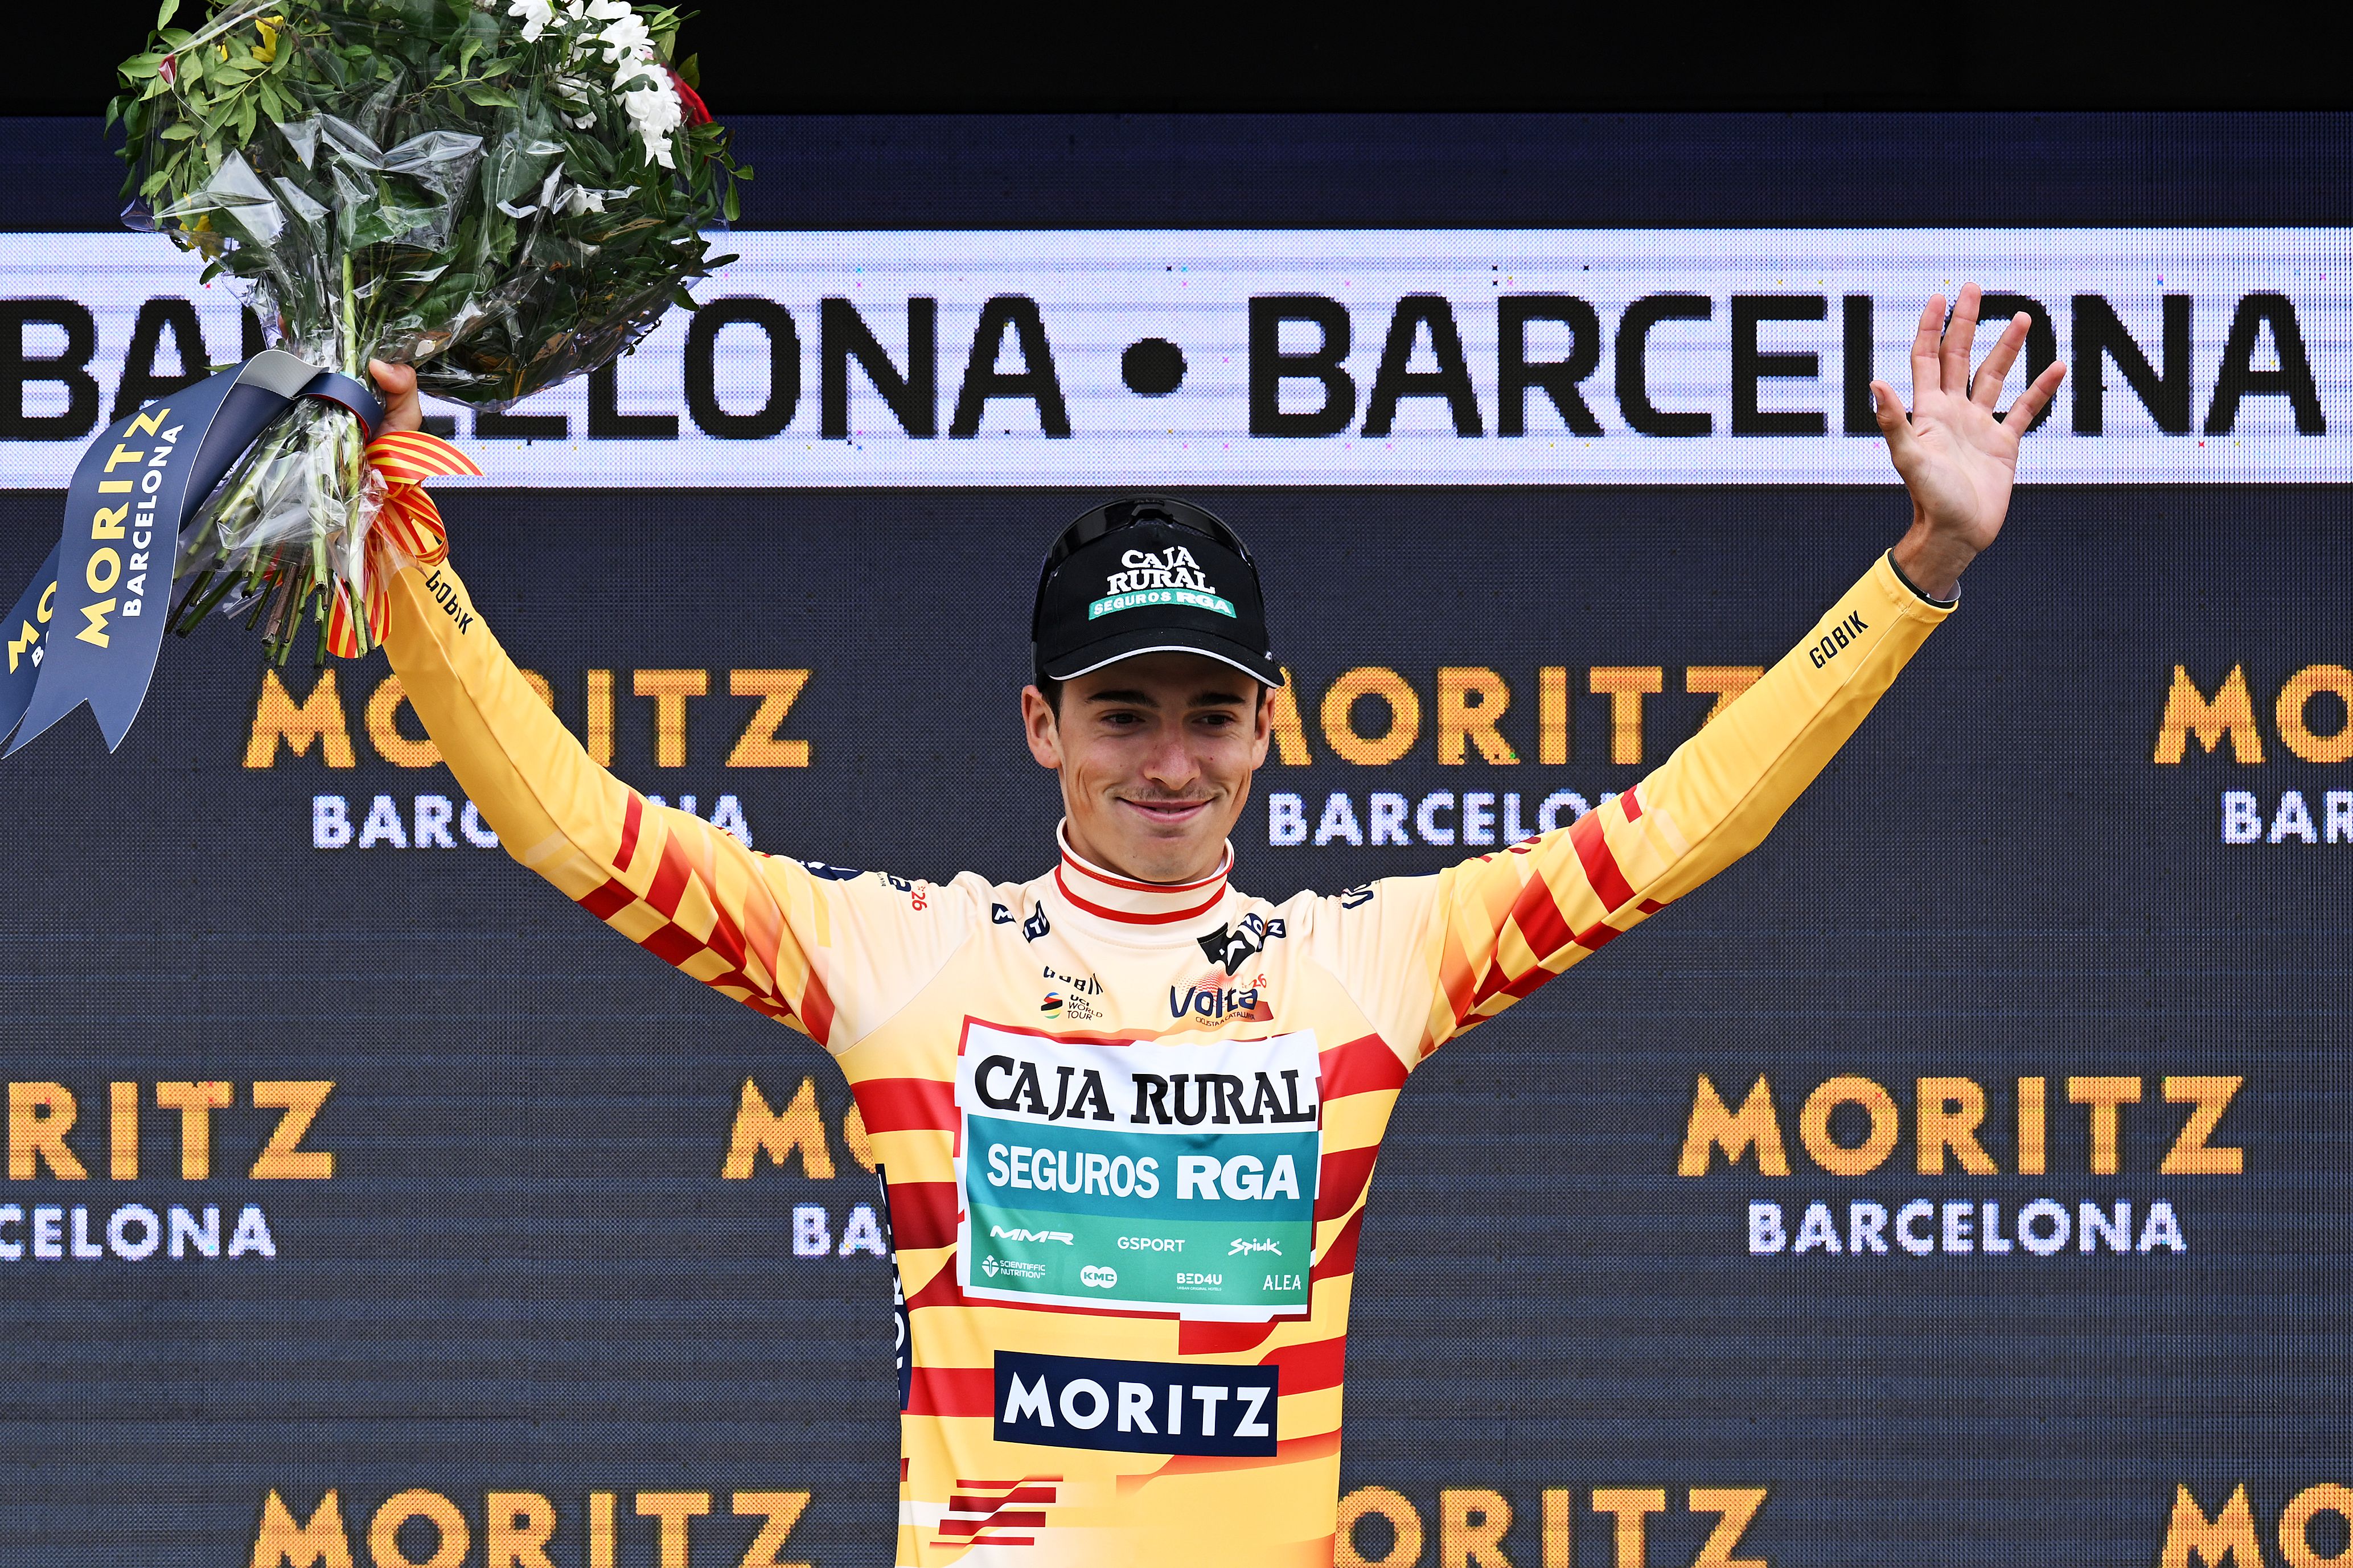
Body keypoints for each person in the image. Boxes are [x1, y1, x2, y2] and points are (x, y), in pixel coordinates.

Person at [365, 286, 2063, 1567]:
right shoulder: (900, 953)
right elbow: (567, 818)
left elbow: (1691, 818)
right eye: (1122, 714)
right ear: (1043, 727)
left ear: (1269, 723)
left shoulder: (1368, 964)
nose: (1168, 760)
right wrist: (404, 546)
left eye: (1208, 711)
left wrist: (1918, 568)